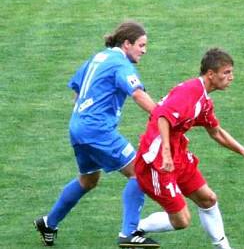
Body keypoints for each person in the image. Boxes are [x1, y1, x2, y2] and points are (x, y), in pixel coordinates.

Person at [34, 21, 160, 248]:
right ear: (127, 43)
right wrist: (161, 115)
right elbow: (138, 94)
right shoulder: (120, 64)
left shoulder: (98, 57)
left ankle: (48, 223)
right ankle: (129, 234)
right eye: (141, 45)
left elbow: (76, 86)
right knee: (141, 171)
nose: (144, 50)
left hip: (78, 127)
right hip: (97, 130)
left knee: (88, 180)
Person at [133, 48, 244, 249]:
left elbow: (216, 132)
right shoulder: (190, 92)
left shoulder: (203, 100)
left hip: (176, 151)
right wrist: (166, 155)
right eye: (226, 72)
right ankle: (135, 229)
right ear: (211, 74)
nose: (231, 77)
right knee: (181, 221)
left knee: (208, 199)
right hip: (158, 159)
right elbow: (161, 116)